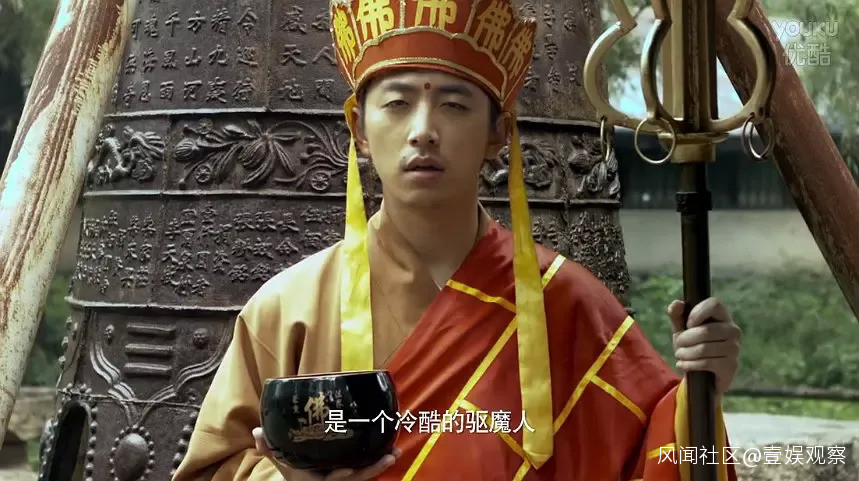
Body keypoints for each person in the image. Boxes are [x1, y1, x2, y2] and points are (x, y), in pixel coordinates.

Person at [172, 0, 742, 480]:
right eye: (397, 104)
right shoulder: (287, 310)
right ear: (359, 128)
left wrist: (700, 392)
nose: (423, 130)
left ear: (499, 132)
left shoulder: (569, 305)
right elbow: (214, 466)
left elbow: (657, 450)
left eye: (453, 104)